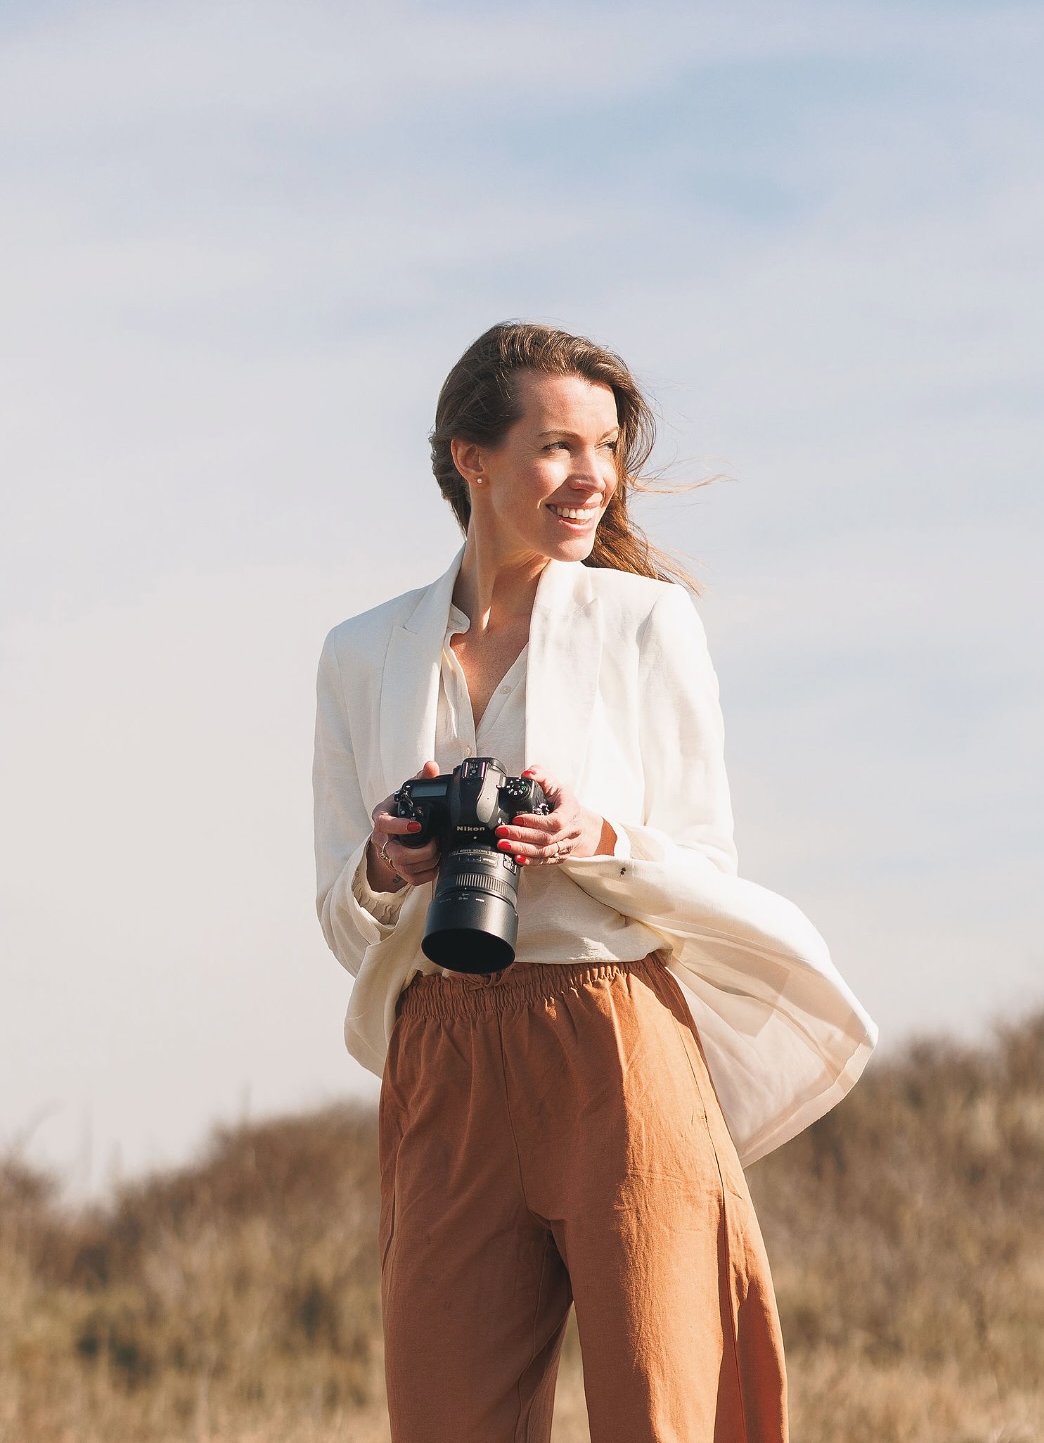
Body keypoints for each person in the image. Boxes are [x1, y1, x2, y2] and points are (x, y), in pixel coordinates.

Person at [314, 321, 875, 1443]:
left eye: (607, 448)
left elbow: (704, 862)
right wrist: (386, 862)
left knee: (666, 1409)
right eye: (559, 446)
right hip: (443, 1053)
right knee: (446, 1418)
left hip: (613, 1030)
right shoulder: (362, 652)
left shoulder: (646, 621)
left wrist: (596, 833)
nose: (594, 478)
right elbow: (341, 916)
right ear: (473, 459)